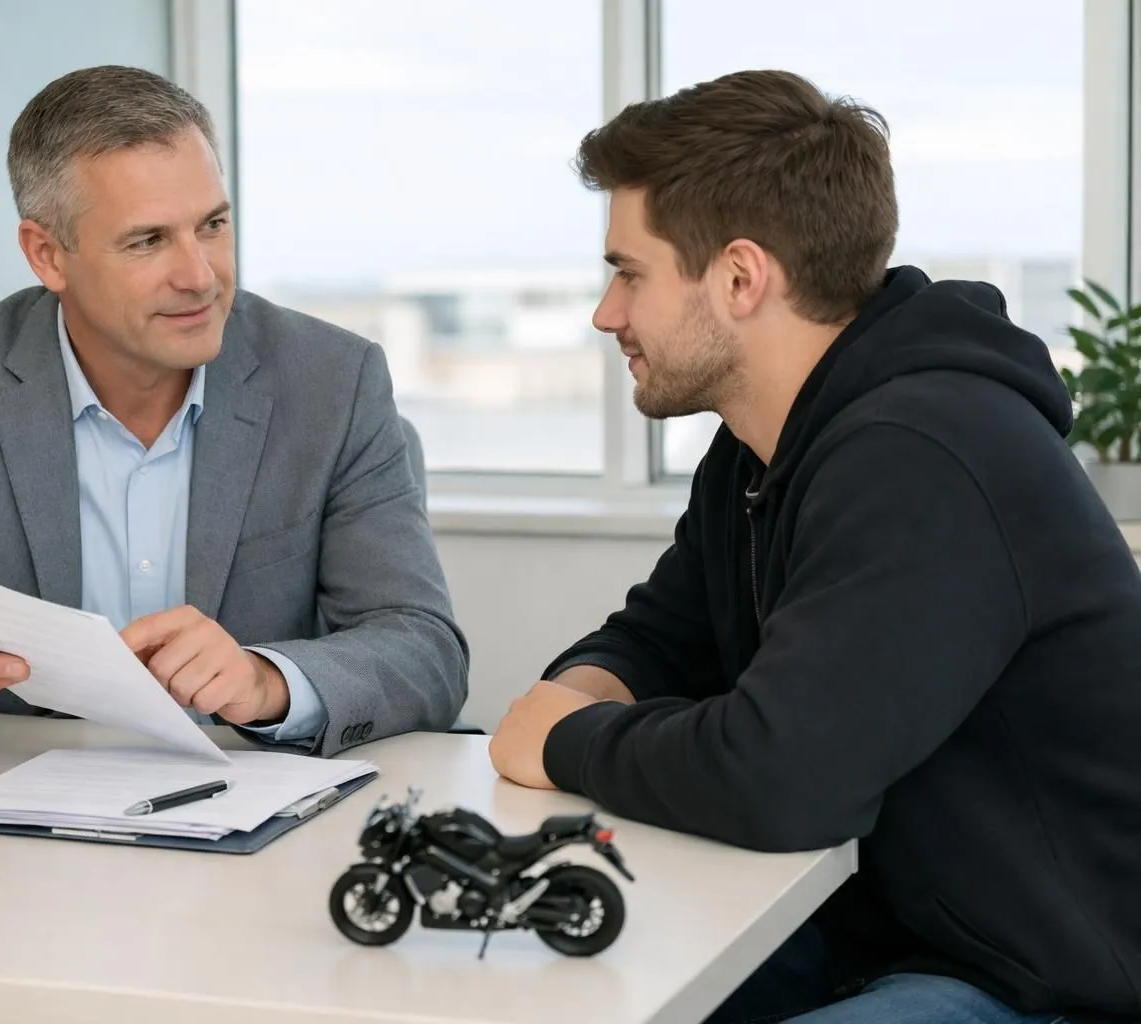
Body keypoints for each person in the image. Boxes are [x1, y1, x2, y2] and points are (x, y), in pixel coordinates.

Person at [488, 69, 1141, 1023]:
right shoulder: (764, 443)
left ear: (741, 277)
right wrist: (585, 687)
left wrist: (566, 738)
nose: (606, 313)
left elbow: (782, 779)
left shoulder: (928, 452)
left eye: (629, 272)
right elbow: (665, 639)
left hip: (1038, 976)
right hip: (866, 923)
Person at [0, 65, 468, 757]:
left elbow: (424, 650)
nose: (199, 275)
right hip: (1, 826)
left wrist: (267, 682)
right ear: (48, 255)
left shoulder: (332, 382)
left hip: (251, 815)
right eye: (147, 241)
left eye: (213, 225)